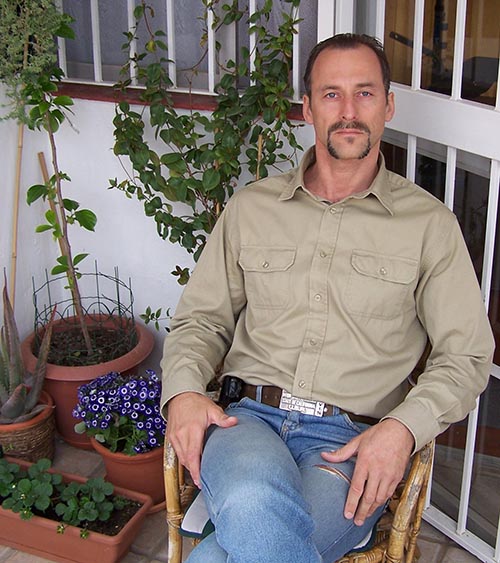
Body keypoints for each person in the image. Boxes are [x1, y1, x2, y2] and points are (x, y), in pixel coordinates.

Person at [160, 33, 494, 562]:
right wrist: (182, 392)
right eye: (331, 94)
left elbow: (466, 355)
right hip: (248, 422)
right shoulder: (252, 209)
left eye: (365, 93)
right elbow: (201, 321)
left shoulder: (429, 226)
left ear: (388, 105)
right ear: (308, 108)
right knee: (250, 499)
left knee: (214, 556)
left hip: (350, 445)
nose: (348, 112)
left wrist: (402, 429)